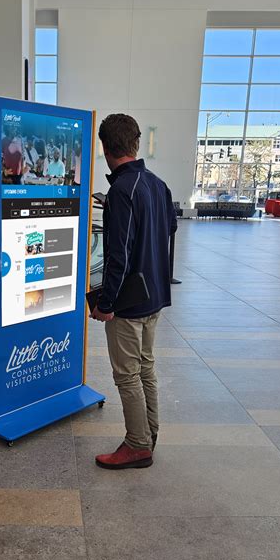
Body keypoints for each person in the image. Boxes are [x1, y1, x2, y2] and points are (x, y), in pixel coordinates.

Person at [91, 113, 177, 470]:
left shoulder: (122, 190)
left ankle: (137, 445)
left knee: (127, 374)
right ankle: (149, 434)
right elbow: (169, 229)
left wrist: (106, 303)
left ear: (105, 147)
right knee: (145, 369)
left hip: (129, 302)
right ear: (136, 143)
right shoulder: (158, 184)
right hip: (153, 295)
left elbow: (119, 255)